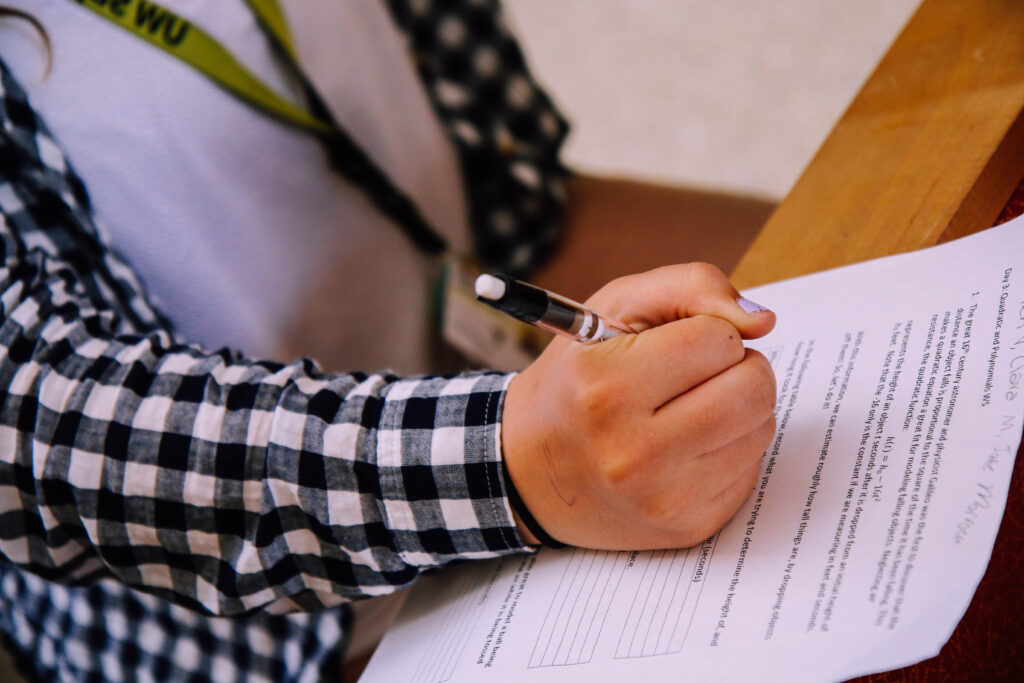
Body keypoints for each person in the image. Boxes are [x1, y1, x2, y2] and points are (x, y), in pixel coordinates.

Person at [0, 1, 777, 680]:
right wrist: (517, 460)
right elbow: (43, 423)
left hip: (506, 329)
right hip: (283, 627)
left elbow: (513, 191)